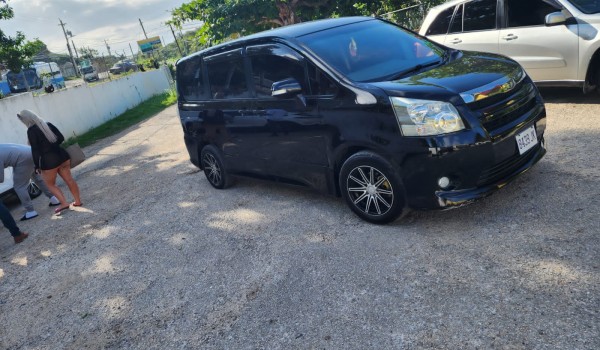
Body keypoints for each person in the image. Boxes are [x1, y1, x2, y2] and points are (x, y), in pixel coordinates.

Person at [17, 110, 83, 214]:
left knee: (50, 184)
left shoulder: (31, 130)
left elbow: (35, 150)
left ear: (25, 120)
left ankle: (64, 203)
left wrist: (37, 166)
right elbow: (61, 138)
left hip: (48, 162)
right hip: (62, 156)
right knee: (69, 179)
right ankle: (78, 201)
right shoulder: (47, 124)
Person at [0, 143, 62, 220]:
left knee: (19, 186)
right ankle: (54, 199)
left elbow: (1, 178)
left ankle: (31, 211)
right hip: (31, 153)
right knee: (38, 179)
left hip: (22, 159)